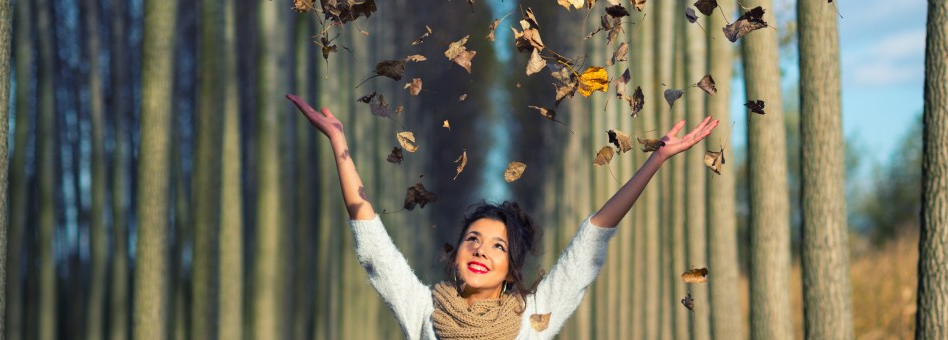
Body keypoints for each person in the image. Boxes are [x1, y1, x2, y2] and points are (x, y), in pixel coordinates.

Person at [288, 93, 718, 339]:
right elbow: (373, 244)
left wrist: (656, 159)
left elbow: (592, 238)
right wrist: (339, 144)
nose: (481, 251)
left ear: (512, 269)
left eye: (498, 246)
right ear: (456, 252)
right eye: (473, 239)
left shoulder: (534, 319)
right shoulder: (424, 311)